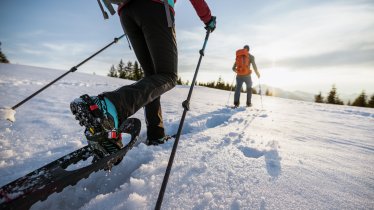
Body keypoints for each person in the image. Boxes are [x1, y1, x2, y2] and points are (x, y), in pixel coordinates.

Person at [70, 0, 216, 154]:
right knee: (168, 75)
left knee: (153, 77)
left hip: (126, 12)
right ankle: (110, 105)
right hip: (155, 7)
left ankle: (155, 135)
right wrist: (207, 18)